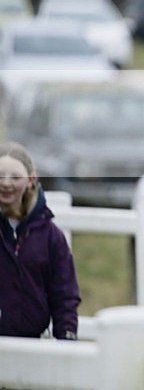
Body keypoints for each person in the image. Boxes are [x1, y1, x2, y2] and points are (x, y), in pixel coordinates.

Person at [0, 141, 81, 340]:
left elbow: (65, 295)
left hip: (33, 343)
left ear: (30, 180)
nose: (6, 183)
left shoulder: (51, 237)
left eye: (15, 177)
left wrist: (66, 339)